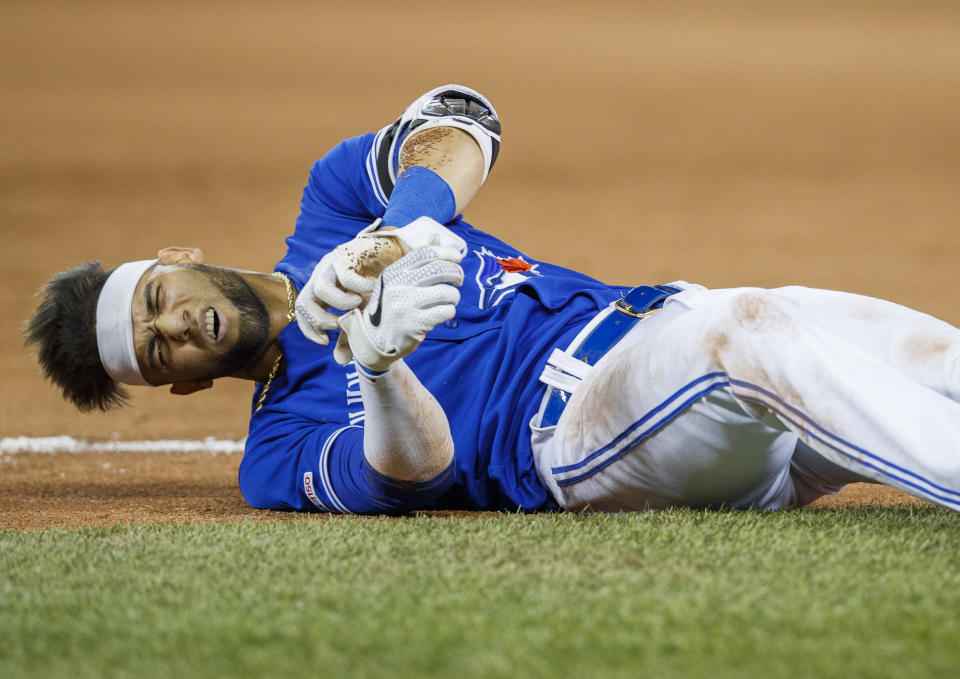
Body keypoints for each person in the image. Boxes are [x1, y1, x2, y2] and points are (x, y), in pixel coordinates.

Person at [25, 85, 960, 515]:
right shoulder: (274, 457)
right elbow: (417, 476)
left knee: (879, 343)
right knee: (747, 331)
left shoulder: (330, 205)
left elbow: (462, 117)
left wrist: (398, 235)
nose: (174, 326)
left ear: (176, 257)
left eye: (155, 298)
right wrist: (381, 368)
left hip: (664, 331)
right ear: (181, 386)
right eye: (155, 350)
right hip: (585, 433)